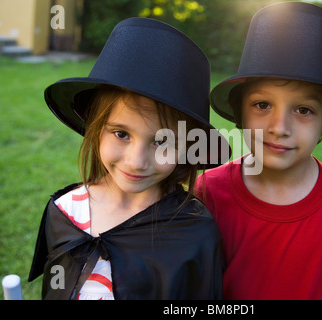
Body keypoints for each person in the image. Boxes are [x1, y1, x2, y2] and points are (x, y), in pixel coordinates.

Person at [195, 2, 322, 299]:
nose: (279, 127)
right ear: (239, 113)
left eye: (303, 110)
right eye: (262, 105)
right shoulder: (206, 191)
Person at [28, 17, 229, 300]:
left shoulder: (194, 233)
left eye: (162, 141)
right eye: (121, 133)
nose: (136, 161)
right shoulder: (64, 212)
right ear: (96, 128)